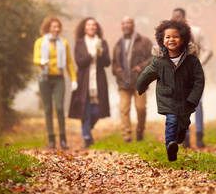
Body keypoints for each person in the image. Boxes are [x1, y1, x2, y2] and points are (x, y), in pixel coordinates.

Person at [136, 19, 205, 162]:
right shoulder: (159, 60)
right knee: (172, 120)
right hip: (167, 98)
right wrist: (141, 85)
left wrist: (193, 98)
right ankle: (170, 145)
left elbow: (199, 80)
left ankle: (181, 133)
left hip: (187, 99)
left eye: (175, 36)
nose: (171, 40)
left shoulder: (192, 60)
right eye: (168, 37)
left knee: (184, 122)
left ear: (183, 39)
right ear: (162, 40)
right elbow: (147, 74)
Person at [33, 17, 77, 149]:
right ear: (48, 28)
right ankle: (51, 139)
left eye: (58, 27)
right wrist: (41, 62)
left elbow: (69, 62)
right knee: (47, 109)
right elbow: (35, 58)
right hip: (44, 79)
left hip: (59, 79)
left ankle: (63, 139)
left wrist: (74, 79)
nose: (56, 29)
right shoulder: (40, 42)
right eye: (53, 27)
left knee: (59, 108)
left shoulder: (63, 42)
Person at [172, 8, 212, 148]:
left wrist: (198, 64)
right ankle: (186, 137)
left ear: (184, 17)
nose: (176, 19)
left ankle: (199, 135)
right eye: (174, 17)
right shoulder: (171, 36)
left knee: (198, 104)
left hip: (195, 77)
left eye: (178, 16)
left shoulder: (196, 32)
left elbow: (208, 50)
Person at [69, 18, 111, 149]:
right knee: (84, 109)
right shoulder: (80, 43)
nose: (91, 27)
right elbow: (80, 62)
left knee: (97, 111)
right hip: (83, 81)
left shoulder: (102, 42)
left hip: (98, 81)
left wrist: (100, 53)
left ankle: (88, 131)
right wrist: (91, 54)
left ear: (96, 27)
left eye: (94, 25)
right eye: (89, 25)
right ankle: (86, 137)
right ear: (84, 28)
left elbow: (107, 63)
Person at [112, 16, 153, 142]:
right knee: (124, 108)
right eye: (124, 23)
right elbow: (113, 63)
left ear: (133, 25)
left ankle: (140, 132)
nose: (126, 25)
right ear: (121, 26)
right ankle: (127, 135)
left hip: (139, 81)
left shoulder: (144, 41)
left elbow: (153, 58)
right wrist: (116, 70)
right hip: (123, 82)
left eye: (128, 23)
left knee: (140, 108)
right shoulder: (118, 44)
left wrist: (141, 67)